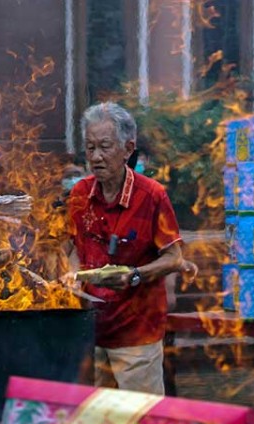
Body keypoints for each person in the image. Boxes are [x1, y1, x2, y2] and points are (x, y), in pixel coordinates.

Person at [66, 102, 184, 395]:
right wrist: (69, 278)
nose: (96, 156)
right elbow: (70, 247)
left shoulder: (152, 195)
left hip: (137, 334)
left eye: (105, 147)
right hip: (89, 331)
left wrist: (134, 275)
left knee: (138, 423)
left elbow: (174, 257)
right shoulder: (80, 193)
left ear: (128, 148)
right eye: (90, 147)